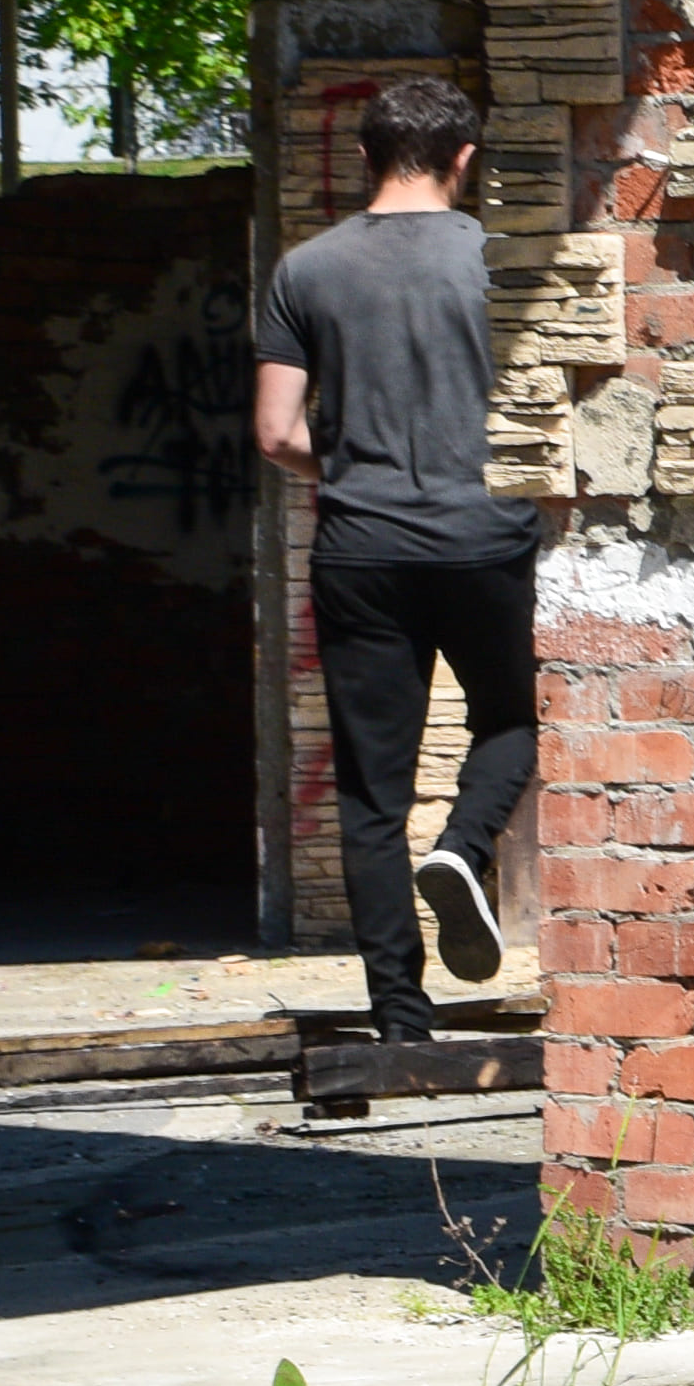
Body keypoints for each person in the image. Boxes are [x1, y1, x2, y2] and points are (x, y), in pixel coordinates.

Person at [252, 71, 539, 1043]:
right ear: (464, 158)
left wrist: (354, 458)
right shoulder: (502, 261)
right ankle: (464, 845)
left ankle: (401, 1018)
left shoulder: (307, 270)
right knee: (515, 714)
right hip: (486, 537)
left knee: (373, 791)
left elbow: (276, 431)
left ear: (364, 157)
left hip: (360, 547)